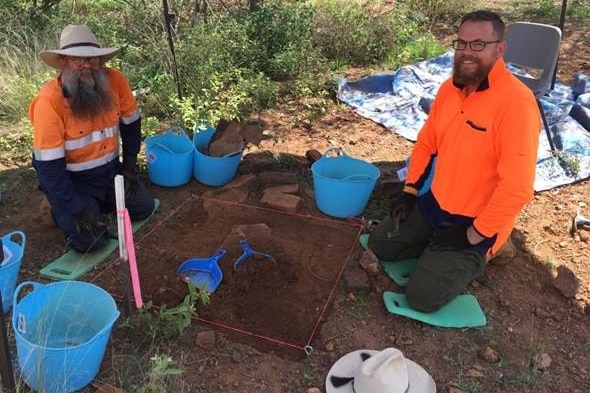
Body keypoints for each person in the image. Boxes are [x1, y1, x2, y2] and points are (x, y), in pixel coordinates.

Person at [368, 10, 541, 312]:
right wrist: (410, 192)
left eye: (478, 44)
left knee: (422, 297)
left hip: (476, 220)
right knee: (381, 245)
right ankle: (438, 245)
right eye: (461, 43)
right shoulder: (450, 90)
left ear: (499, 49)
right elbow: (426, 144)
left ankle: (493, 248)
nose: (466, 53)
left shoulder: (517, 104)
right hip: (436, 204)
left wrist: (474, 234)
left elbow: (518, 188)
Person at [30, 24, 154, 253]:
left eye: (93, 59)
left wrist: (128, 168)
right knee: (92, 242)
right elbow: (49, 167)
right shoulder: (48, 102)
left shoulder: (116, 80)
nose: (87, 65)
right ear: (64, 61)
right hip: (74, 181)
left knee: (144, 208)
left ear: (101, 61)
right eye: (78, 59)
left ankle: (95, 206)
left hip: (110, 172)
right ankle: (58, 205)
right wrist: (75, 208)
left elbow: (132, 124)